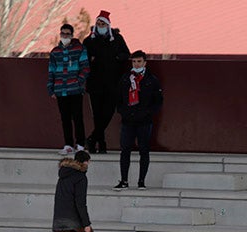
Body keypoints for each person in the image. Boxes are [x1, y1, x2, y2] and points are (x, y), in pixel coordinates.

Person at [114, 50, 163, 190]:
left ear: (145, 63)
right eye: (134, 61)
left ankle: (141, 181)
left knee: (144, 150)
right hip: (127, 120)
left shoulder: (152, 80)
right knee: (125, 151)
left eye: (139, 61)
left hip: (144, 121)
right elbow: (118, 98)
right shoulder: (125, 78)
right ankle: (124, 181)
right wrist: (123, 112)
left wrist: (147, 113)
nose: (136, 64)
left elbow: (158, 101)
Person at [83, 10, 129, 154]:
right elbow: (83, 59)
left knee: (108, 112)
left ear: (108, 25)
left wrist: (118, 58)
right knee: (97, 114)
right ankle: (99, 143)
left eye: (103, 23)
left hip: (112, 83)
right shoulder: (89, 40)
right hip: (95, 83)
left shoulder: (117, 38)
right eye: (98, 23)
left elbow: (126, 54)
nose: (100, 25)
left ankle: (92, 138)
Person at [47, 23, 89, 156]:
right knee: (65, 118)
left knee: (77, 117)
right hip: (60, 90)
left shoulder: (80, 49)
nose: (64, 36)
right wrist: (51, 88)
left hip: (75, 89)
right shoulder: (55, 52)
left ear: (71, 35)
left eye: (67, 34)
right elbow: (51, 70)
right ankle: (68, 144)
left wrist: (79, 81)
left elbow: (85, 67)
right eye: (62, 33)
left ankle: (81, 144)